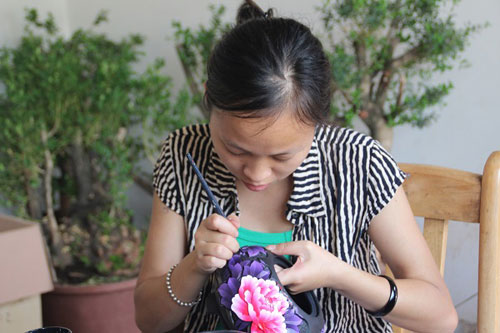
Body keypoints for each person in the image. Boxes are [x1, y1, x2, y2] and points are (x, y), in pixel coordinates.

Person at [134, 1, 458, 332]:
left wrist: (340, 275)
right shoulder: (183, 153)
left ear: (318, 123)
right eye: (235, 148)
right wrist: (195, 266)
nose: (257, 174)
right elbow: (148, 320)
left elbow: (441, 317)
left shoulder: (359, 163)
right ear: (208, 99)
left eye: (282, 156)